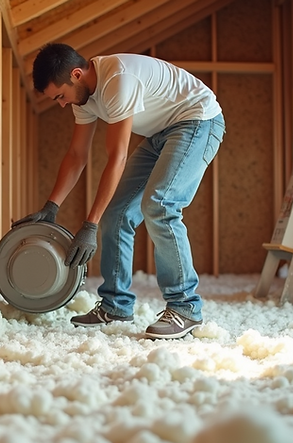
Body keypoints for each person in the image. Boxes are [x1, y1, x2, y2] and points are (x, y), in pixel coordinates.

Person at [14, 43, 225, 339]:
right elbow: (76, 155)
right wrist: (52, 206)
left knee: (160, 205)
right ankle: (116, 305)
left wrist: (89, 225)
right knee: (117, 212)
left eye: (60, 96)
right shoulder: (83, 98)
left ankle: (185, 307)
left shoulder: (118, 79)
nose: (61, 104)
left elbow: (118, 157)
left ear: (76, 74)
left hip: (197, 121)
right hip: (160, 134)